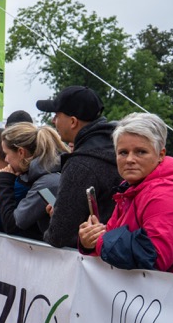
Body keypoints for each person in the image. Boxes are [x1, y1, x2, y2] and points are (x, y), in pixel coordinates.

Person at [79, 113, 173, 273]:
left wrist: (100, 241)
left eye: (141, 152)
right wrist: (89, 240)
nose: (129, 159)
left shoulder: (167, 194)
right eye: (123, 152)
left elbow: (153, 256)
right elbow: (110, 240)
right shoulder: (129, 189)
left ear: (160, 155)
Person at [37, 86, 120, 249]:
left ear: (73, 122)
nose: (53, 121)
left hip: (96, 258)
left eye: (57, 115)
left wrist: (54, 219)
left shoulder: (80, 164)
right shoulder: (118, 149)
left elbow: (58, 236)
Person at [0, 123, 63, 241]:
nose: (5, 160)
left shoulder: (47, 183)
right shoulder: (44, 175)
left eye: (6, 154)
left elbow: (12, 224)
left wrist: (4, 183)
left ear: (21, 152)